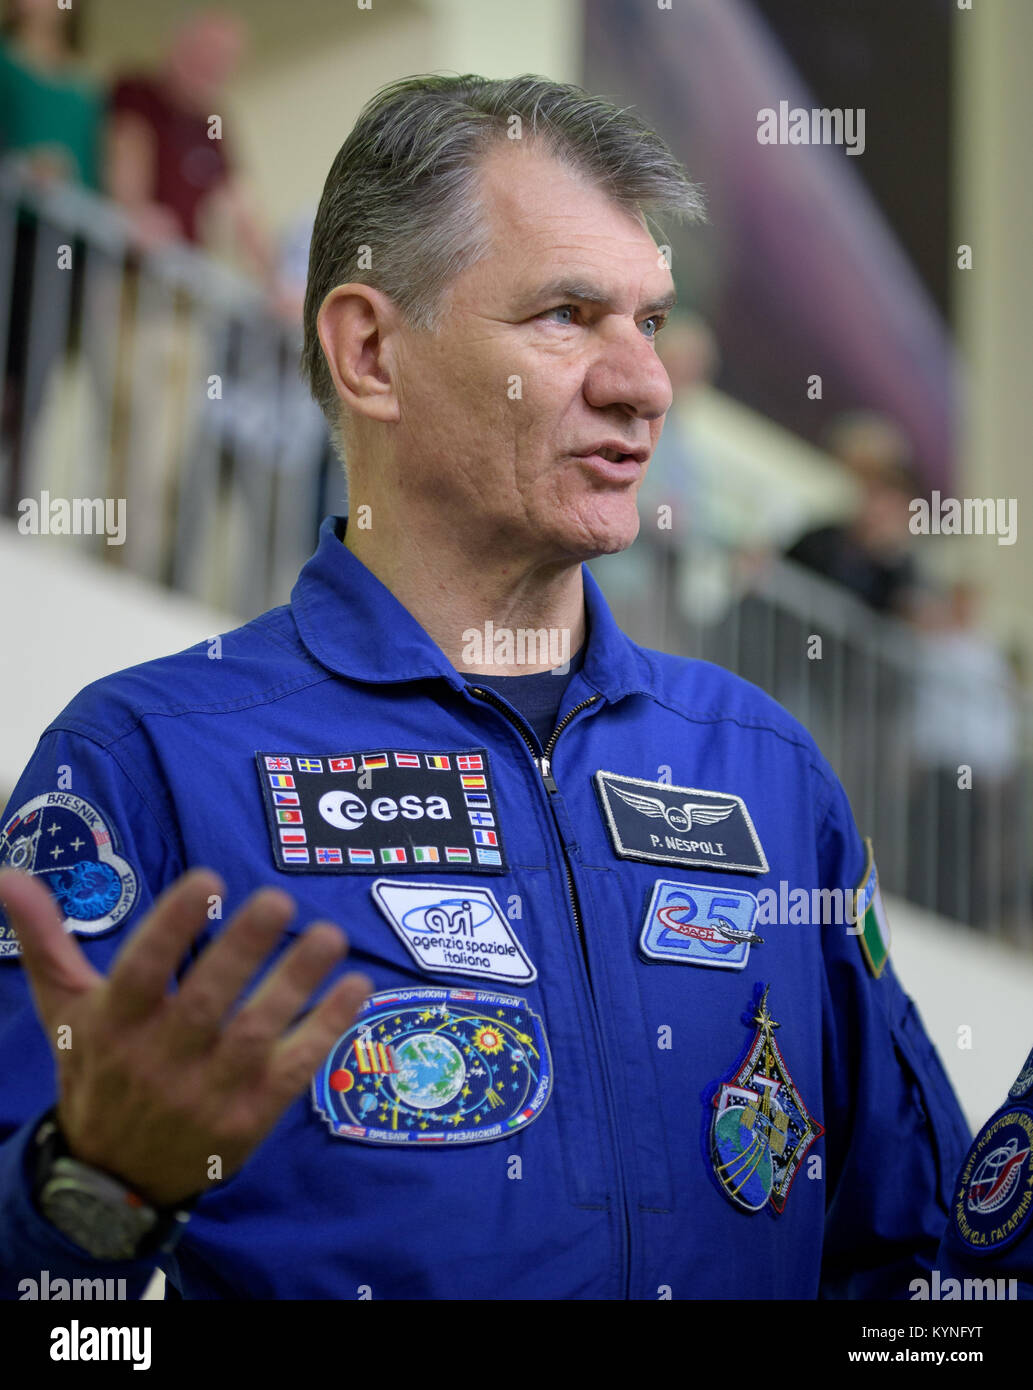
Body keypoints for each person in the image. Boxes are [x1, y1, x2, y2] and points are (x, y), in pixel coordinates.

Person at [0, 73, 1012, 1301]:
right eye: (568, 314)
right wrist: (92, 1196)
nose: (644, 383)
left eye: (648, 320)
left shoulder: (764, 770)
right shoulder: (145, 760)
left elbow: (917, 1285)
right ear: (370, 351)